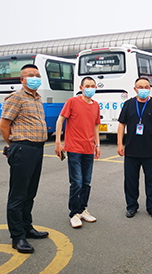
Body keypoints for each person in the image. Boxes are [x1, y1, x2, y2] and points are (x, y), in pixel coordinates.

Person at [0, 64, 49, 254]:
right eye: (30, 75)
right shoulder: (17, 97)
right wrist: (13, 145)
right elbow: (4, 125)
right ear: (22, 80)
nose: (34, 77)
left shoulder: (37, 98)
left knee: (30, 193)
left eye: (37, 75)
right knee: (18, 195)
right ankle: (17, 237)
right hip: (22, 148)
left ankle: (27, 227)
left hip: (37, 149)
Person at [117, 77, 152, 219]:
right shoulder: (128, 104)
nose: (143, 89)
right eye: (140, 87)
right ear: (135, 89)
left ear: (149, 88)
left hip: (151, 151)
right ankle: (131, 206)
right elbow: (121, 124)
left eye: (146, 87)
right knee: (130, 181)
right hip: (131, 150)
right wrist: (120, 143)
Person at [55, 76, 101, 228]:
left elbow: (95, 126)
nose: (90, 88)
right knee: (77, 182)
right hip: (74, 148)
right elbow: (60, 120)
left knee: (86, 182)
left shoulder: (95, 105)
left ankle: (82, 209)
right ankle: (74, 213)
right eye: (87, 85)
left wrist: (97, 144)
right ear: (81, 88)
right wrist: (58, 142)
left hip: (88, 148)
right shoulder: (72, 102)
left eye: (93, 85)